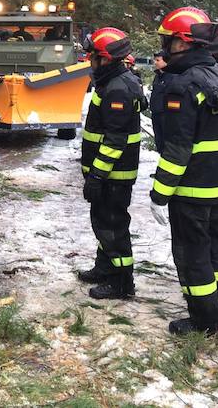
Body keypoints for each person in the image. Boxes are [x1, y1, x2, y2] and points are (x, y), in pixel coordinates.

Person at [148, 7, 218, 335]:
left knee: (193, 256)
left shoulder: (182, 86)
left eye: (168, 41)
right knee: (216, 249)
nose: (165, 48)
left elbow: (177, 149)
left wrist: (159, 194)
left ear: (182, 43)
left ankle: (204, 323)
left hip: (191, 191)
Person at [77, 27, 146, 299]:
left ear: (105, 59)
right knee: (103, 222)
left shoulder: (117, 88)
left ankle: (121, 283)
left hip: (113, 175)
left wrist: (97, 175)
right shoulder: (114, 81)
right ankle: (105, 267)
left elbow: (115, 140)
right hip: (110, 173)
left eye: (93, 56)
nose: (89, 61)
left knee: (112, 227)